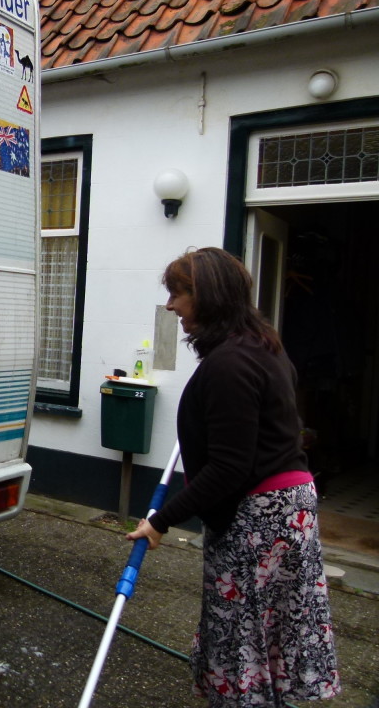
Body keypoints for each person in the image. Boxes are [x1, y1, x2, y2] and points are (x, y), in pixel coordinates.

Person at [126, 247, 340, 707]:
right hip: (289, 512)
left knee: (241, 633)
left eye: (177, 294)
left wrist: (161, 520)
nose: (170, 306)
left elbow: (230, 467)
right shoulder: (264, 348)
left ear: (207, 296)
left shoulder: (230, 363)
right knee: (273, 632)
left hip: (259, 520)